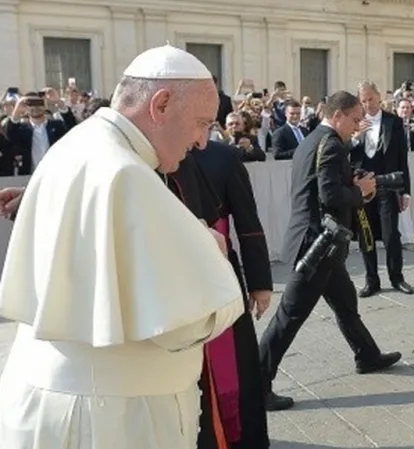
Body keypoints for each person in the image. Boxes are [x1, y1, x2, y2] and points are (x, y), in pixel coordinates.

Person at [0, 44, 244, 449]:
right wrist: (212, 250)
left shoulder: (78, 145)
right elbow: (189, 321)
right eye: (201, 123)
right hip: (111, 418)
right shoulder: (124, 172)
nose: (203, 141)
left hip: (54, 401)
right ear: (161, 105)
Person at [258, 90, 402, 411]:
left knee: (346, 303)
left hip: (321, 243)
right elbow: (330, 196)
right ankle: (257, 385)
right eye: (354, 120)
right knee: (289, 317)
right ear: (338, 116)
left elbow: (320, 185)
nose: (357, 126)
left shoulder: (314, 140)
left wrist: (351, 181)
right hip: (317, 246)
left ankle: (367, 355)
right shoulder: (332, 144)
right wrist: (360, 191)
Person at [190, 139, 274, 447]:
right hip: (177, 281)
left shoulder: (223, 156)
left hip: (222, 274)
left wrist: (260, 282)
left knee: (236, 366)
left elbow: (247, 221)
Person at [350, 81, 414, 298]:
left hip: (387, 186)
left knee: (390, 235)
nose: (368, 104)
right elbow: (344, 152)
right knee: (366, 235)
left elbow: (403, 158)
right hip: (362, 187)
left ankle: (397, 278)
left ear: (378, 97)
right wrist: (355, 138)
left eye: (371, 99)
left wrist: (405, 191)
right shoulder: (355, 122)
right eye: (363, 100)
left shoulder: (393, 122)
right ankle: (372, 281)